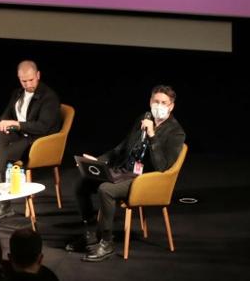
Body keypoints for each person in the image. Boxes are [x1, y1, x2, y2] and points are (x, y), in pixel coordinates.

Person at [68, 85, 185, 262]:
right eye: (156, 101)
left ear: (171, 106)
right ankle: (92, 233)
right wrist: (99, 161)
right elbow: (122, 148)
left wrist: (152, 135)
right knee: (82, 182)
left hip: (146, 179)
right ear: (150, 102)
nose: (159, 105)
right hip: (126, 171)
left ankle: (106, 242)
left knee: (105, 189)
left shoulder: (176, 132)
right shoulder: (144, 118)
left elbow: (162, 167)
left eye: (164, 103)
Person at [0, 60, 61, 218]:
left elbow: (42, 127)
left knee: (3, 154)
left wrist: (15, 124)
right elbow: (6, 114)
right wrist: (3, 124)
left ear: (38, 75)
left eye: (31, 80)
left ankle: (1, 197)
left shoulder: (49, 97)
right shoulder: (17, 93)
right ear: (19, 78)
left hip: (39, 140)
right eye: (24, 81)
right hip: (22, 134)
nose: (28, 84)